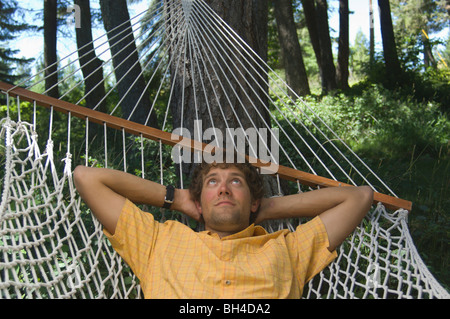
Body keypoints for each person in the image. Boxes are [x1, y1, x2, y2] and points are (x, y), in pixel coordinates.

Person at [73, 159, 373, 298]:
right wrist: (177, 198)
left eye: (236, 182)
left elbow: (358, 197)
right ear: (198, 202)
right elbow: (87, 177)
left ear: (253, 200)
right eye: (213, 182)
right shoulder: (156, 241)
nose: (224, 189)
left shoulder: (288, 249)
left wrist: (265, 207)